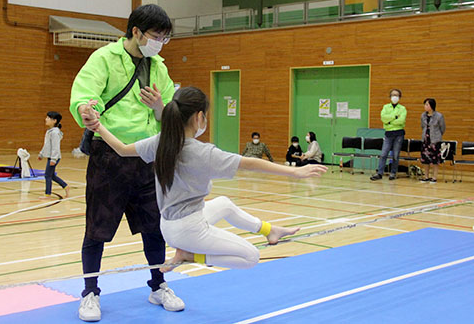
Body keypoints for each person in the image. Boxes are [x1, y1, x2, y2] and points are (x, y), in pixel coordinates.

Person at [82, 86, 327, 278]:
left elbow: (123, 149)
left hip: (169, 225)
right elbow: (250, 163)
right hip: (189, 230)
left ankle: (269, 230)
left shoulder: (161, 141)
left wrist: (98, 126)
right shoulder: (202, 152)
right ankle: (190, 256)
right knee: (250, 257)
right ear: (199, 117)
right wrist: (295, 173)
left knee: (225, 204)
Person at [69, 4, 183, 322]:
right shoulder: (104, 58)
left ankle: (158, 285)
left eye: (165, 37)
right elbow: (85, 95)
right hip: (109, 156)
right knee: (97, 229)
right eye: (156, 36)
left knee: (154, 228)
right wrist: (86, 109)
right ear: (136, 31)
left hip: (147, 156)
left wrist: (161, 106)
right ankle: (90, 293)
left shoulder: (158, 65)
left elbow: (170, 115)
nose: (160, 42)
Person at [370, 89, 407, 181]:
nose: (395, 97)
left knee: (395, 155)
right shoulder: (385, 107)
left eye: (397, 95)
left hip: (399, 134)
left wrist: (389, 122)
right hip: (388, 134)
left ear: (399, 97)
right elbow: (383, 118)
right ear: (390, 97)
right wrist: (394, 117)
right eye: (393, 95)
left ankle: (393, 173)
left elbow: (401, 121)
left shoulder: (402, 108)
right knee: (383, 154)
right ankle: (379, 173)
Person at [38, 111, 69, 198]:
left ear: (54, 120)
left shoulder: (55, 133)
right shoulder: (50, 131)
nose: (46, 119)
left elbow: (56, 147)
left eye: (48, 118)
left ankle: (47, 194)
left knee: (47, 175)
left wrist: (53, 159)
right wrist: (41, 154)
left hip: (54, 157)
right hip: (50, 156)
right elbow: (47, 145)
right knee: (52, 175)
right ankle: (66, 186)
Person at [419, 98, 445, 184]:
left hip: (435, 141)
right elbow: (423, 126)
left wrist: (437, 136)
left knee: (435, 160)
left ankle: (434, 177)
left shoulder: (439, 116)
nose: (425, 106)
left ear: (432, 106)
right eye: (425, 104)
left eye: (427, 104)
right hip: (425, 140)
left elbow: (442, 128)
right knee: (425, 159)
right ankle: (426, 176)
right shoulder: (423, 115)